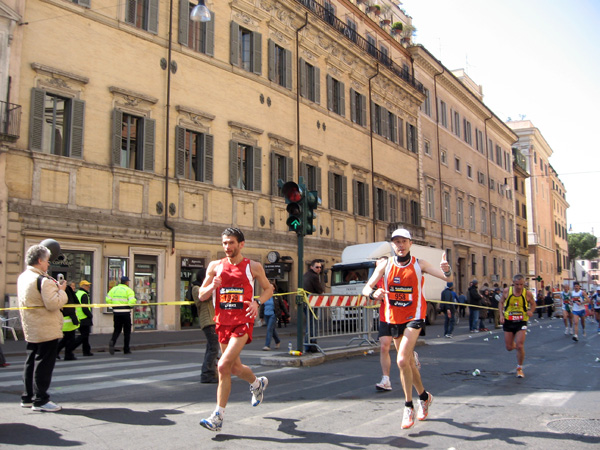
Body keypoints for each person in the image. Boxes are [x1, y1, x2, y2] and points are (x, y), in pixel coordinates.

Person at [362, 228, 453, 429]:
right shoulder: (385, 265)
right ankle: (424, 396)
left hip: (415, 316)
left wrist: (446, 269)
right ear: (392, 245)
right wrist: (373, 293)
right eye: (396, 242)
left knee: (402, 359)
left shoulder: (420, 264)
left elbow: (447, 279)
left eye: (404, 242)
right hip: (394, 318)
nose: (400, 246)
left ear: (410, 243)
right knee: (409, 364)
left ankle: (408, 406)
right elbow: (366, 287)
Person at [198, 228, 274, 432]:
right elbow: (202, 295)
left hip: (243, 321)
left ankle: (218, 416)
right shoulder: (215, 266)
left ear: (241, 244)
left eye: (231, 243)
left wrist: (257, 302)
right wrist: (212, 286)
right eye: (224, 243)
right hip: (222, 322)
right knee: (234, 368)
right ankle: (257, 384)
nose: (227, 247)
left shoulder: (253, 266)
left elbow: (269, 288)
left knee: (222, 365)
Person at [17, 244, 68, 412]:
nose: (48, 264)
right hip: (46, 327)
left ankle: (28, 396)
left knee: (31, 361)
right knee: (44, 364)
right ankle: (41, 399)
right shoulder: (42, 280)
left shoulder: (24, 277)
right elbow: (53, 304)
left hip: (31, 326)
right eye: (47, 261)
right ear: (39, 260)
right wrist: (61, 291)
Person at [498, 274, 536, 378]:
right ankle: (515, 346)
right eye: (517, 284)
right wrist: (501, 315)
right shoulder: (507, 291)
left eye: (521, 284)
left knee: (520, 345)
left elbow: (533, 304)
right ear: (513, 284)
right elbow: (501, 302)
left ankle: (519, 368)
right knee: (509, 347)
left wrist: (531, 311)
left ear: (524, 284)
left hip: (521, 321)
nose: (519, 287)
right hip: (509, 321)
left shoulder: (527, 293)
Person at [191, 268, 219, 384]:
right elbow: (203, 297)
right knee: (213, 348)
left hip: (213, 320)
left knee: (211, 347)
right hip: (208, 320)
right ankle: (207, 373)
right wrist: (212, 285)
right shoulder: (196, 288)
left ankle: (210, 372)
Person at [106, 276, 137, 355]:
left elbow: (108, 299)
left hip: (116, 312)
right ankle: (126, 349)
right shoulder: (128, 290)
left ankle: (112, 341)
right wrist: (130, 305)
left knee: (117, 329)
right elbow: (132, 301)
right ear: (126, 282)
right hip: (125, 312)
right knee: (127, 331)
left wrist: (112, 305)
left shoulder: (114, 289)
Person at [303, 259, 325, 352]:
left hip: (305, 302)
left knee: (310, 323)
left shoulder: (306, 275)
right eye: (317, 267)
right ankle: (312, 344)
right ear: (311, 267)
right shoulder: (314, 276)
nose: (319, 269)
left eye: (320, 267)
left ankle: (308, 344)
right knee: (312, 324)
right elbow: (319, 290)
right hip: (311, 302)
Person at [56, 282, 82, 360]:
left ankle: (58, 352)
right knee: (70, 339)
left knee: (66, 339)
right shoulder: (67, 292)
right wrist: (75, 320)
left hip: (66, 319)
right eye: (72, 286)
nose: (73, 287)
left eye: (74, 286)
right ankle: (68, 354)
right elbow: (71, 307)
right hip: (68, 320)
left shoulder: (61, 292)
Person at [260, 281, 283, 351]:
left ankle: (267, 345)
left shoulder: (277, 296)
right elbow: (262, 305)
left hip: (273, 314)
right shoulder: (265, 295)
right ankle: (277, 341)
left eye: (271, 286)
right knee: (272, 329)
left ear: (274, 288)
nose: (270, 287)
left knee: (269, 329)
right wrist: (261, 316)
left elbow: (282, 305)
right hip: (266, 314)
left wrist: (287, 315)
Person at [75, 280, 94, 356]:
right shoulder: (84, 295)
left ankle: (86, 351)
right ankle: (71, 347)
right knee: (84, 336)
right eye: (87, 285)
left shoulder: (77, 293)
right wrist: (90, 315)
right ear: (82, 286)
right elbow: (85, 308)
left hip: (79, 317)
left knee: (85, 336)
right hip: (84, 318)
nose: (88, 287)